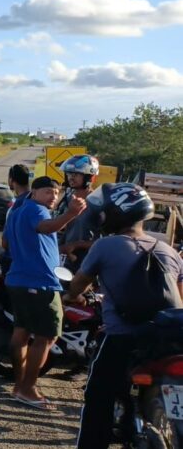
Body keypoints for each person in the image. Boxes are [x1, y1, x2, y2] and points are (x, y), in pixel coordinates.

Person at [64, 183, 183, 447]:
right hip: (171, 340)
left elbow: (78, 285)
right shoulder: (169, 251)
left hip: (124, 338)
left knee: (97, 397)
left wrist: (72, 296)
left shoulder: (105, 246)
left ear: (116, 214)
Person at [4, 176, 86, 409]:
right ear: (35, 192)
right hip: (39, 283)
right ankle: (28, 389)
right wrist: (71, 214)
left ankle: (20, 385)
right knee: (47, 336)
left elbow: (7, 243)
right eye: (48, 192)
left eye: (57, 193)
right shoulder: (37, 211)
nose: (54, 197)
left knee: (21, 333)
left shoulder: (17, 211)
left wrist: (54, 249)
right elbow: (46, 227)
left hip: (18, 279)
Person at [57, 155, 102, 269]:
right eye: (69, 174)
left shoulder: (98, 203)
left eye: (76, 174)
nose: (71, 178)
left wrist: (76, 245)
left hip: (85, 263)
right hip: (60, 259)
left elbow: (107, 241)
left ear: (89, 177)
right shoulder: (65, 198)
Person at [0, 164, 33, 275]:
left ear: (11, 180)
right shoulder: (34, 199)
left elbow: (5, 242)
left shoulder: (18, 204)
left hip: (15, 261)